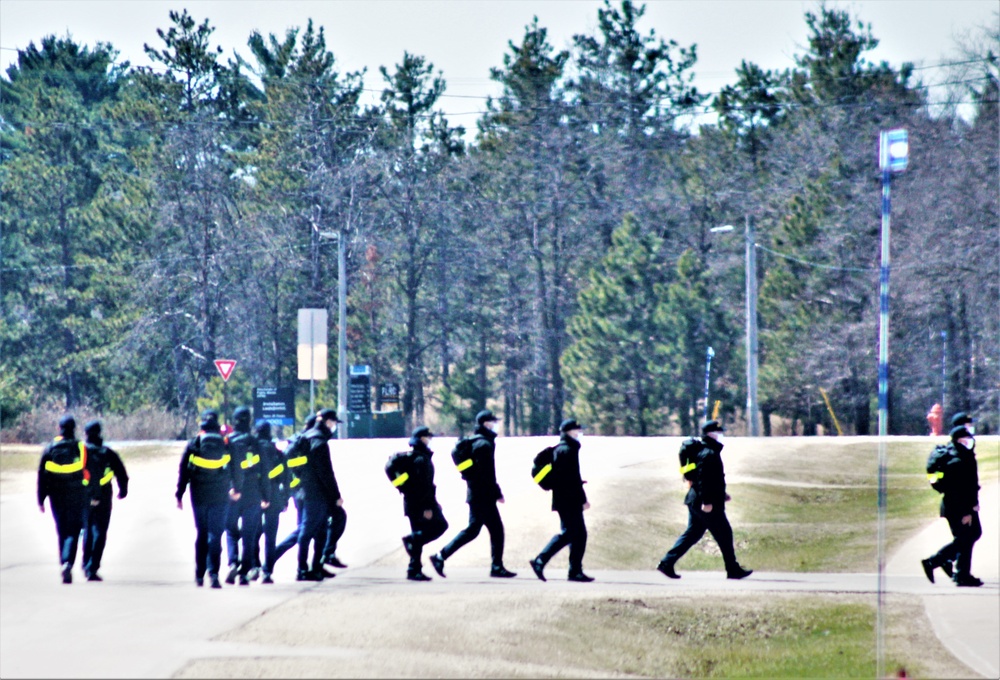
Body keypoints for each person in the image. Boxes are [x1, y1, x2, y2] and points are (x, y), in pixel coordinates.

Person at [656, 420, 752, 581]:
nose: (722, 435)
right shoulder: (709, 453)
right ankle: (732, 569)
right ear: (711, 434)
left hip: (695, 500)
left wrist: (722, 495)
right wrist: (707, 502)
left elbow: (711, 480)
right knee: (724, 534)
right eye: (719, 432)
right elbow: (704, 480)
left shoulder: (706, 451)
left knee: (693, 534)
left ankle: (667, 563)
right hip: (705, 503)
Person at [430, 410, 516, 579]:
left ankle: (442, 557)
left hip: (477, 493)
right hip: (483, 495)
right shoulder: (484, 444)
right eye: (493, 421)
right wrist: (497, 493)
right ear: (486, 423)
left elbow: (475, 472)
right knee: (488, 530)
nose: (496, 424)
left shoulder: (476, 441)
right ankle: (495, 566)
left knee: (478, 530)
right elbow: (487, 473)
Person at [176, 410, 241, 588]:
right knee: (216, 535)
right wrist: (236, 488)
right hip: (220, 495)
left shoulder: (194, 443)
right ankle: (213, 575)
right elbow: (237, 468)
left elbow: (183, 470)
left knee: (202, 534)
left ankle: (199, 574)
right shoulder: (226, 444)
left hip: (198, 495)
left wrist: (179, 494)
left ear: (202, 425)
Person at [530, 419, 594, 582]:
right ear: (569, 432)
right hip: (569, 499)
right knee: (570, 533)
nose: (580, 433)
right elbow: (572, 478)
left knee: (578, 534)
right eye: (577, 430)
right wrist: (583, 500)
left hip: (564, 498)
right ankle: (540, 560)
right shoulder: (568, 450)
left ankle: (575, 571)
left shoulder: (563, 449)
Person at [921, 418, 983, 587]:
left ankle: (954, 568)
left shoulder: (962, 454)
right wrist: (967, 511)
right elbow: (960, 490)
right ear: (959, 440)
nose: (970, 440)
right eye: (966, 438)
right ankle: (938, 562)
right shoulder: (958, 461)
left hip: (957, 505)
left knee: (970, 535)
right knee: (967, 536)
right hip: (958, 507)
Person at [37, 415, 97, 584]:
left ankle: (64, 562)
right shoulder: (81, 447)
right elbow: (90, 472)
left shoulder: (49, 449)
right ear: (74, 429)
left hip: (55, 496)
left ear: (59, 428)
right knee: (73, 531)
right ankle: (67, 563)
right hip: (77, 495)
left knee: (62, 530)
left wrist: (41, 499)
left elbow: (42, 475)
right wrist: (92, 494)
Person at [223, 406, 270, 585]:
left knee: (231, 531)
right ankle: (243, 575)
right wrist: (266, 496)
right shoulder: (255, 443)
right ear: (249, 421)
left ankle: (232, 563)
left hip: (232, 494)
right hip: (253, 494)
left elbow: (222, 469)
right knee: (249, 535)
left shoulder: (228, 442)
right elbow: (264, 471)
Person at [296, 409, 344, 582]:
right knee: (310, 531)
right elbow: (326, 472)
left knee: (316, 531)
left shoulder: (306, 436)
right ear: (327, 422)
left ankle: (313, 568)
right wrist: (336, 495)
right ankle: (304, 569)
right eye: (333, 423)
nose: (333, 427)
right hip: (317, 494)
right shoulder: (319, 441)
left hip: (305, 490)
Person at [397, 426, 449, 581]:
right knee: (440, 526)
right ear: (422, 439)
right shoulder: (421, 460)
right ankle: (411, 541)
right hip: (421, 504)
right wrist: (427, 507)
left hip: (411, 503)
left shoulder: (414, 457)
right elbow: (423, 486)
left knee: (419, 535)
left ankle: (414, 569)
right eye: (428, 437)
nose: (430, 440)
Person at [81, 420, 128, 582]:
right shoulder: (107, 452)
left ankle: (85, 563)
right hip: (103, 496)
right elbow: (121, 473)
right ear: (99, 433)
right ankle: (92, 567)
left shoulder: (80, 452)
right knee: (100, 532)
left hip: (85, 496)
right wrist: (123, 490)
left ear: (85, 434)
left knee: (87, 530)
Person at [253, 419, 290, 584]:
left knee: (252, 532)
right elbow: (286, 478)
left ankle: (254, 566)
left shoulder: (252, 450)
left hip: (255, 495)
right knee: (270, 535)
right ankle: (267, 571)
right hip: (274, 496)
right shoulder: (277, 452)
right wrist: (286, 499)